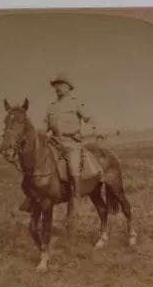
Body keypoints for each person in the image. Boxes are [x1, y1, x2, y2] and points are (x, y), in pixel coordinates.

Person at [18, 73, 97, 212]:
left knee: (73, 164)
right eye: (56, 85)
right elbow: (44, 126)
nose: (57, 88)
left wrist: (94, 126)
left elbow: (89, 117)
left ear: (68, 87)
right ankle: (31, 196)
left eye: (60, 85)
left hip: (72, 142)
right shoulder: (51, 107)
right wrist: (41, 133)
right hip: (54, 142)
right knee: (37, 162)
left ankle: (77, 197)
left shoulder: (75, 103)